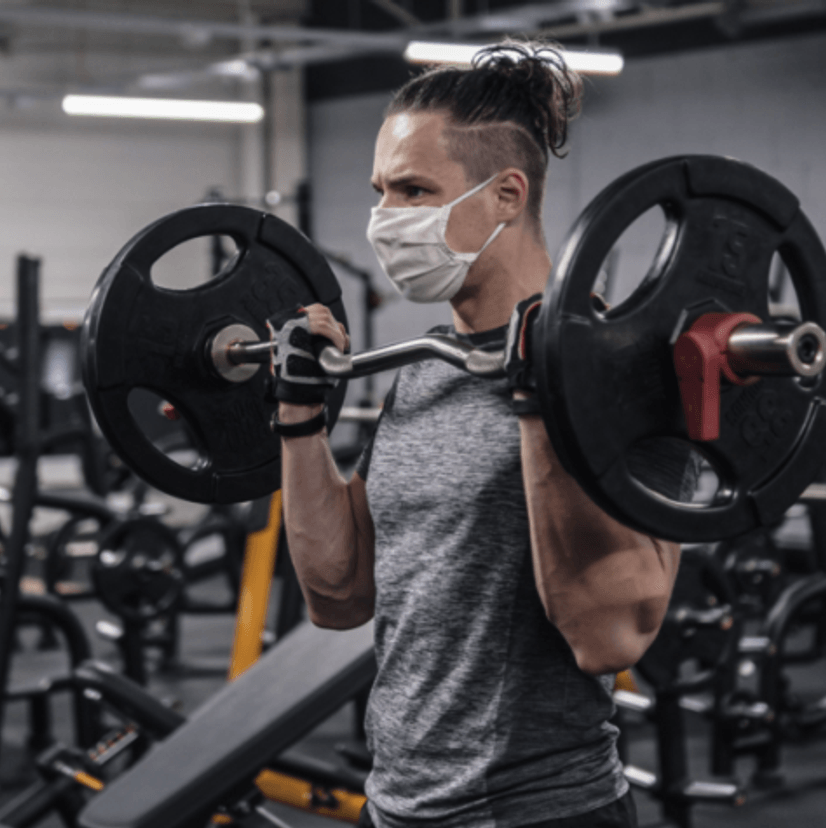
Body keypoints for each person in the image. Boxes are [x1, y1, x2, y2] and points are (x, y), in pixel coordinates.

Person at [270, 41, 689, 828]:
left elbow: (611, 635)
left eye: (414, 189)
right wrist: (299, 420)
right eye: (380, 192)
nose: (386, 219)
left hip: (535, 813)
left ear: (505, 195)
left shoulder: (617, 372)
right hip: (396, 805)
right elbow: (339, 594)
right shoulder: (426, 367)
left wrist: (539, 400)